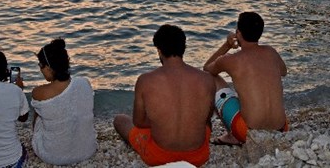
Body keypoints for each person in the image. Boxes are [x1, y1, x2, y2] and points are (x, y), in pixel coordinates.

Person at [114, 24, 215, 167]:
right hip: (198, 157)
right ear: (184, 48)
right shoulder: (207, 79)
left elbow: (139, 122)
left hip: (159, 156)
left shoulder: (145, 80)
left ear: (159, 51)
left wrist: (161, 121)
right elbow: (207, 119)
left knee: (120, 120)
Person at [203, 12, 288, 145]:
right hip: (282, 129)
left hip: (247, 132)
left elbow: (207, 68)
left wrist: (227, 45)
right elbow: (283, 72)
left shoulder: (231, 60)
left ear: (238, 33)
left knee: (210, 78)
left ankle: (232, 136)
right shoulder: (271, 52)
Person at [31, 38, 97, 165]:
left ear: (49, 68)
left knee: (40, 114)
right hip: (88, 150)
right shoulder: (84, 83)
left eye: (40, 65)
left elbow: (35, 122)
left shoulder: (39, 92)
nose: (40, 69)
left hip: (53, 156)